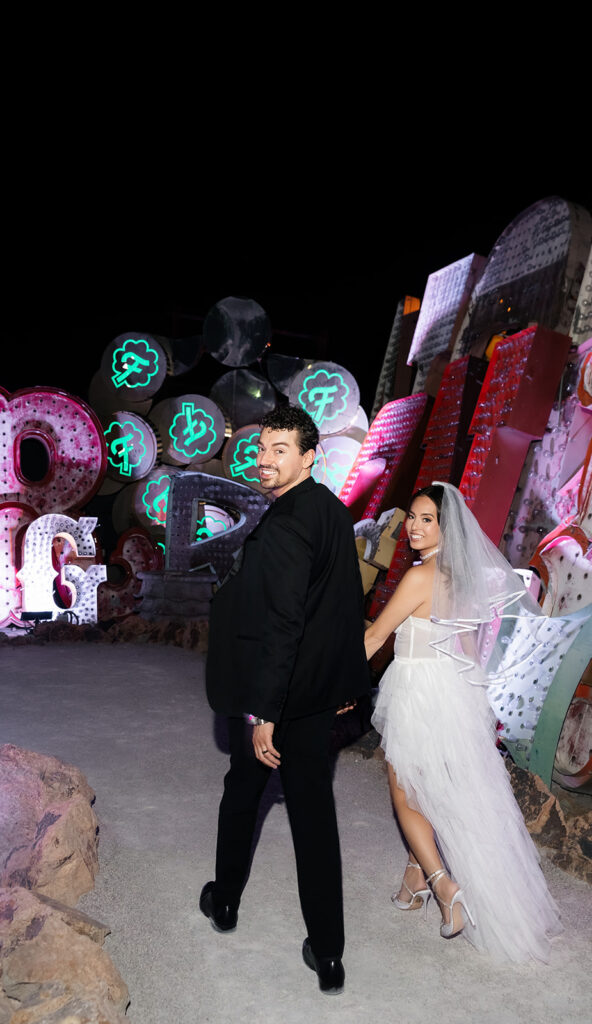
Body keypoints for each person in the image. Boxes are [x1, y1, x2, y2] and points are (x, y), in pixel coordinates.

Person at [202, 405, 370, 994]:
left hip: (277, 698)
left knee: (242, 794)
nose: (265, 460)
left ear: (308, 457)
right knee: (314, 818)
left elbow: (283, 624)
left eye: (280, 450)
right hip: (317, 694)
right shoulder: (332, 510)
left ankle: (225, 901)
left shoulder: (286, 525)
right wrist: (345, 683)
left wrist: (262, 714)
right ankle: (329, 953)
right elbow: (344, 604)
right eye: (261, 448)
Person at [364, 482, 562, 963]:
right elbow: (470, 649)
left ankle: (442, 885)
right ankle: (414, 882)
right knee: (434, 791)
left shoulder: (419, 578)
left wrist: (326, 682)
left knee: (405, 792)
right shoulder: (465, 580)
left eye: (426, 519)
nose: (414, 527)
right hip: (455, 690)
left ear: (446, 528)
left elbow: (374, 636)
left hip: (416, 689)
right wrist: (477, 706)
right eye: (412, 517)